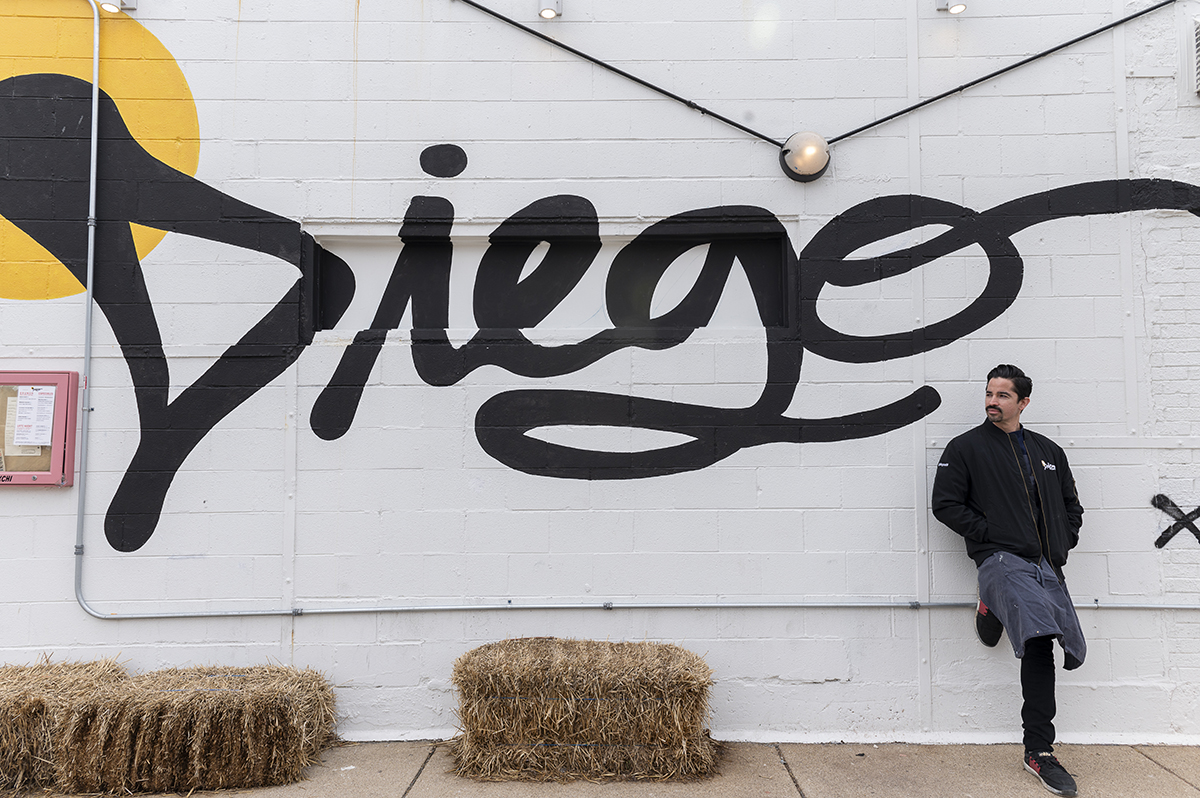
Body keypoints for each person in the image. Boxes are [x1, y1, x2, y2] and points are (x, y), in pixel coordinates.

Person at [932, 364, 1085, 797]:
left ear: (1023, 402)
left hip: (1046, 564)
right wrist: (991, 536)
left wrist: (1064, 540)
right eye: (988, 393)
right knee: (1039, 638)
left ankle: (991, 605)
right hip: (1000, 558)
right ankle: (1039, 751)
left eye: (1002, 395)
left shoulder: (1049, 451)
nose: (991, 401)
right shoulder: (966, 448)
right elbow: (944, 504)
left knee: (1067, 642)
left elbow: (1073, 507)